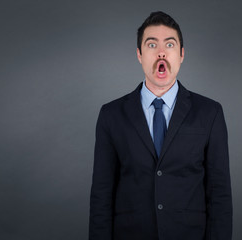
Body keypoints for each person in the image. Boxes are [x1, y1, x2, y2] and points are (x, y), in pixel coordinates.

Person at [89, 11, 232, 240]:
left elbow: (219, 195)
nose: (162, 52)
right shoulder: (111, 115)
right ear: (139, 54)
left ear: (182, 54)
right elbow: (101, 196)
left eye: (170, 44)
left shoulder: (210, 113)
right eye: (152, 44)